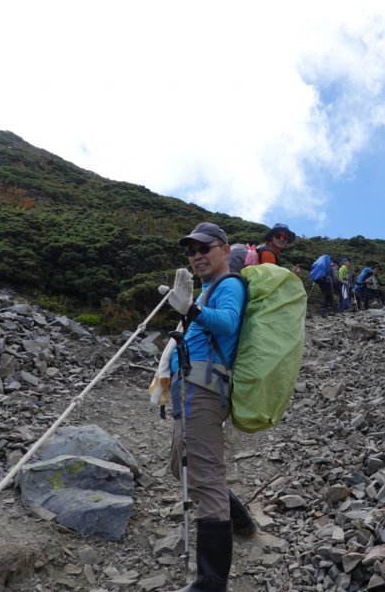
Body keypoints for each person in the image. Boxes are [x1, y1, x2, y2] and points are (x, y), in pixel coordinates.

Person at [161, 221, 256, 591]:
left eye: (205, 248)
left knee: (202, 476)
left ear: (224, 249)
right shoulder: (204, 292)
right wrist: (189, 309)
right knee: (180, 467)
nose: (196, 255)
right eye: (191, 251)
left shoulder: (228, 285)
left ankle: (211, 582)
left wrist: (192, 311)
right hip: (188, 389)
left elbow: (229, 324)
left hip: (203, 388)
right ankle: (240, 519)